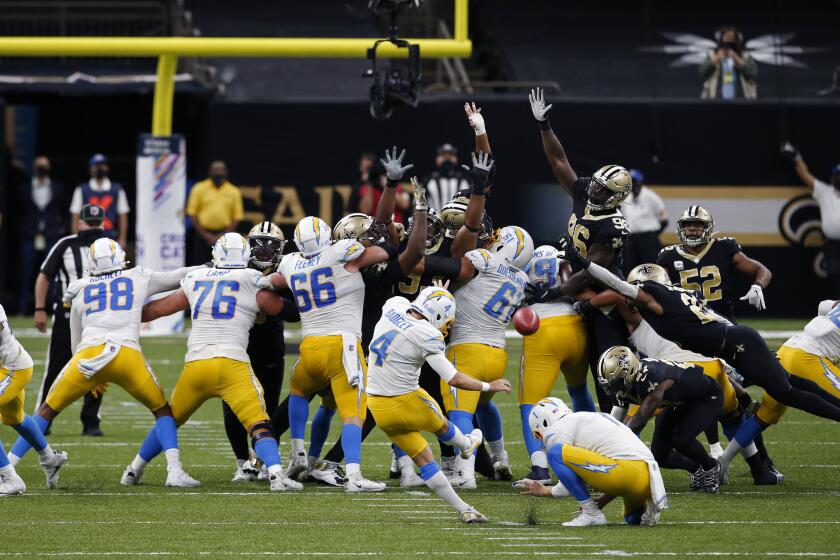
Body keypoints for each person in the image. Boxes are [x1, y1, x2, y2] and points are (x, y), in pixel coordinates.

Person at [561, 243, 840, 429]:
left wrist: (585, 263)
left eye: (637, 290)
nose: (632, 296)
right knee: (787, 383)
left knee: (785, 392)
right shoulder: (678, 294)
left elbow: (616, 284)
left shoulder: (655, 299)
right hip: (734, 344)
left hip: (738, 345)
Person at [9, 238, 198, 487]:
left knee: (45, 411)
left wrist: (89, 375)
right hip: (126, 354)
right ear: (120, 257)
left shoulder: (78, 287)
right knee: (162, 410)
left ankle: (8, 467)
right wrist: (211, 266)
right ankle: (174, 470)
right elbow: (178, 276)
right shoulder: (137, 275)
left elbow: (75, 340)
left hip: (87, 356)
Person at [126, 233, 302, 492]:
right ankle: (276, 475)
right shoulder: (251, 279)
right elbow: (284, 311)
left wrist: (116, 312)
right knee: (258, 423)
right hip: (232, 363)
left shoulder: (197, 279)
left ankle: (134, 469)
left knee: (171, 419)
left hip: (197, 364)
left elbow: (156, 310)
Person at [265, 215, 394, 492]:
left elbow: (272, 282)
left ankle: (298, 452)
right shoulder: (340, 254)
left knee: (299, 394)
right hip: (341, 345)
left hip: (309, 348)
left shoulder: (290, 263)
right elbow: (385, 253)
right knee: (353, 412)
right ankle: (354, 475)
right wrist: (388, 238)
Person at [527, 86, 633, 412]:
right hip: (579, 296)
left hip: (604, 305)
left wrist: (550, 294)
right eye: (597, 185)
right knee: (581, 376)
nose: (595, 191)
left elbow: (590, 273)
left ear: (616, 198)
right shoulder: (586, 191)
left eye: (603, 190)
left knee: (608, 376)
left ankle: (621, 438)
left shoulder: (614, 226)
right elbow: (558, 160)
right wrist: (545, 126)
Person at [366, 287, 512, 522]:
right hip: (406, 400)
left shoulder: (393, 305)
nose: (446, 325)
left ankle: (464, 509)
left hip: (377, 407)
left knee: (425, 460)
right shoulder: (428, 335)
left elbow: (414, 306)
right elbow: (454, 379)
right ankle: (466, 444)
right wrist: (488, 386)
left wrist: (435, 294)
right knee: (443, 427)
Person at [443, 224, 534, 490]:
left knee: (460, 412)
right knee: (483, 405)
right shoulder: (521, 278)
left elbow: (455, 264)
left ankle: (465, 473)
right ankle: (499, 456)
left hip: (467, 349)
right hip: (497, 354)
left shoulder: (483, 259)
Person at [716, 299, 840, 481]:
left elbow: (823, 305)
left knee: (766, 415)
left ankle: (723, 461)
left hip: (788, 350)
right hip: (809, 357)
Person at [225, 222, 301, 483]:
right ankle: (241, 461)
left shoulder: (286, 272)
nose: (265, 249)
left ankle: (260, 460)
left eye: (271, 244)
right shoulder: (235, 268)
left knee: (268, 409)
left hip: (270, 352)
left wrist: (271, 289)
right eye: (259, 243)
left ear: (280, 249)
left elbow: (294, 311)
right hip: (238, 350)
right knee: (232, 408)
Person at [519, 397, 667, 527]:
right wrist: (602, 501)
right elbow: (618, 457)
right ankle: (647, 507)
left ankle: (591, 514)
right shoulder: (589, 418)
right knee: (633, 519)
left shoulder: (556, 429)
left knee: (555, 453)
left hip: (625, 472)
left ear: (543, 424)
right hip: (649, 478)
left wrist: (546, 491)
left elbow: (566, 488)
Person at [514, 245, 592, 489]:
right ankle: (589, 458)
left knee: (530, 401)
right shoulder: (564, 258)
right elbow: (576, 285)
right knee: (579, 391)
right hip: (575, 327)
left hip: (542, 328)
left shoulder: (524, 264)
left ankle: (540, 468)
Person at [597, 346, 721, 493]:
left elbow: (641, 418)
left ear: (629, 372)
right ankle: (695, 468)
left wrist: (612, 446)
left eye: (615, 382)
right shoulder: (626, 382)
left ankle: (711, 466)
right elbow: (618, 417)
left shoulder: (652, 376)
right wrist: (602, 443)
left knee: (681, 439)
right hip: (676, 401)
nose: (612, 388)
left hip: (705, 396)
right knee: (660, 455)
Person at [32, 203, 108, 436]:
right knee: (56, 366)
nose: (93, 227)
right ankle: (43, 420)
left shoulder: (110, 247)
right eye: (89, 222)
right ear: (79, 222)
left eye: (97, 223)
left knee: (97, 367)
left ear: (103, 223)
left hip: (99, 315)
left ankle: (91, 420)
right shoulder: (65, 244)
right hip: (66, 313)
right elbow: (44, 276)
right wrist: (40, 308)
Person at [657, 206, 772, 321]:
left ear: (708, 228)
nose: (692, 229)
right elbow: (655, 288)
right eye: (687, 225)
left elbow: (762, 270)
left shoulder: (723, 248)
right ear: (681, 228)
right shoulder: (668, 256)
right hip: (687, 323)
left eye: (697, 225)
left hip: (723, 321)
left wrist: (758, 285)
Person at [0, 303, 68, 496]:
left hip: (13, 368)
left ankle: (10, 479)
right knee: (14, 418)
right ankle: (50, 459)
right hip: (5, 367)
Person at [781, 142, 840, 295]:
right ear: (833, 178)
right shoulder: (825, 191)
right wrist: (797, 157)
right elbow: (805, 175)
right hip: (832, 245)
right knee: (834, 274)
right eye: (837, 176)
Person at [17, 156, 66, 314]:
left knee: (51, 273)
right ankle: (22, 309)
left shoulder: (58, 188)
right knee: (26, 273)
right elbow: (16, 212)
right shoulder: (24, 188)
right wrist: (23, 229)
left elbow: (66, 210)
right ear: (34, 167)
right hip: (30, 237)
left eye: (44, 166)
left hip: (51, 235)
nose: (42, 169)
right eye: (39, 166)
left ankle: (51, 308)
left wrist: (61, 228)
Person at [186, 160, 244, 266]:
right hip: (202, 235)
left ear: (226, 173)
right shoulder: (199, 188)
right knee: (200, 265)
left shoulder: (233, 191)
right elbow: (192, 214)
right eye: (215, 170)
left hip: (225, 236)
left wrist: (221, 236)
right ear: (209, 172)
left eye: (221, 170)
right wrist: (207, 236)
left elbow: (237, 217)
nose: (218, 173)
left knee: (223, 265)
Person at [70, 154, 130, 246]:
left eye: (102, 165)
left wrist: (122, 239)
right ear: (90, 169)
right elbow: (75, 216)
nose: (99, 168)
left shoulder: (117, 189)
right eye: (96, 165)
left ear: (107, 167)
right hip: (87, 238)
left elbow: (123, 216)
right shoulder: (81, 189)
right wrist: (76, 239)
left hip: (110, 237)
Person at [621, 170, 667, 274]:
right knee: (630, 269)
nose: (633, 185)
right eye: (630, 182)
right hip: (631, 239)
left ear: (640, 182)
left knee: (651, 268)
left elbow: (664, 220)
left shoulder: (650, 196)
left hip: (648, 238)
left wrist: (652, 236)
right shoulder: (626, 199)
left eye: (635, 181)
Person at [700, 26, 758, 99]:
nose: (728, 46)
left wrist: (738, 60)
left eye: (731, 42)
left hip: (740, 99)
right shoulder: (712, 55)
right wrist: (716, 59)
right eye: (725, 43)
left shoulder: (744, 56)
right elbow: (702, 73)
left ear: (736, 42)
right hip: (717, 99)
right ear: (721, 41)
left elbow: (752, 73)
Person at [422, 143, 470, 212]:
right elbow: (418, 204)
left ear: (456, 159)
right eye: (443, 155)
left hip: (460, 221)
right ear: (437, 159)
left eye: (450, 155)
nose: (447, 159)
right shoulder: (428, 180)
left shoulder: (464, 180)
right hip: (434, 221)